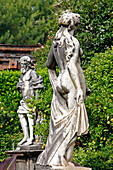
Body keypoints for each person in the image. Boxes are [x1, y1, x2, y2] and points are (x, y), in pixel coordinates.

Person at [37, 11, 90, 168]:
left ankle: (65, 159)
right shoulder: (73, 41)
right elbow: (73, 66)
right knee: (74, 123)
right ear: (74, 25)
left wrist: (54, 82)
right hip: (70, 83)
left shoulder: (56, 42)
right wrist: (80, 88)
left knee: (60, 123)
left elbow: (49, 65)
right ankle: (60, 156)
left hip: (60, 81)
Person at [17, 56, 44, 146]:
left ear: (28, 65)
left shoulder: (32, 73)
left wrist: (37, 101)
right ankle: (26, 136)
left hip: (31, 100)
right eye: (21, 65)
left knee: (31, 117)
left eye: (24, 64)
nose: (22, 66)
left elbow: (38, 87)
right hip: (24, 100)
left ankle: (32, 137)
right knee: (20, 114)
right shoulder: (23, 75)